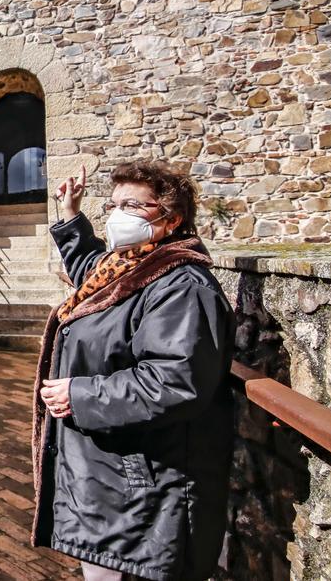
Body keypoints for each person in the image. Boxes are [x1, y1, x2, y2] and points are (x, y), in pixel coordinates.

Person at [30, 161, 234, 581]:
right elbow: (91, 270)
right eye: (114, 204)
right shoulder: (131, 267)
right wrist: (71, 214)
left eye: (133, 206)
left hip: (143, 494)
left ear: (171, 219)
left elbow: (175, 381)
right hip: (112, 485)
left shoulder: (181, 286)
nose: (118, 214)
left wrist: (80, 396)